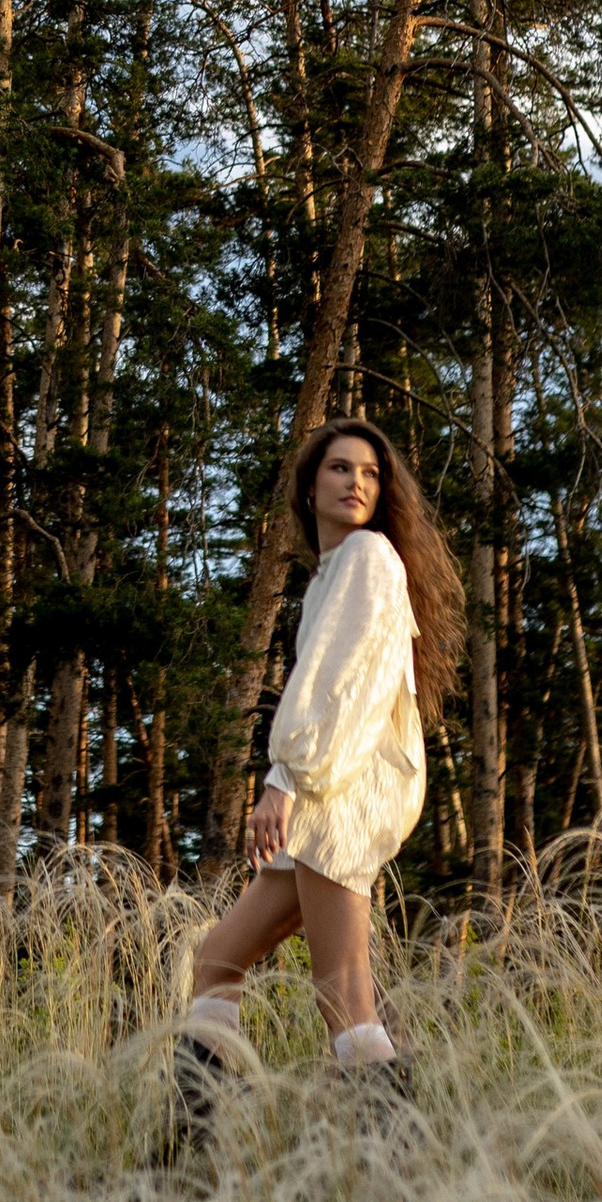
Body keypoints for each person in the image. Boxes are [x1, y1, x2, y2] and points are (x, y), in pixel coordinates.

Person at [177, 419, 465, 1108]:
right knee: (218, 960)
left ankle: (396, 1167)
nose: (356, 483)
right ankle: (188, 1146)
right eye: (340, 469)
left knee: (344, 994)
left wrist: (287, 779)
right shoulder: (340, 571)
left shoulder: (368, 555)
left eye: (370, 473)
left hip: (340, 797)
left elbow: (341, 686)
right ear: (310, 488)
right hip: (324, 797)